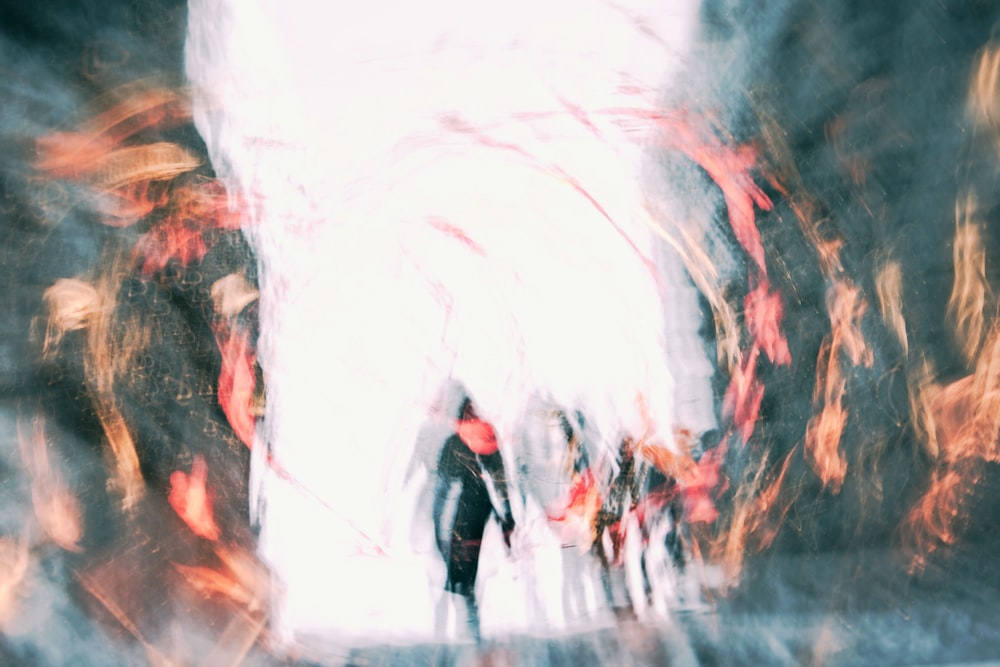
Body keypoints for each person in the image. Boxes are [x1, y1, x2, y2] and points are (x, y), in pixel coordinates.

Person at [432, 395, 516, 642]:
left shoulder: (456, 442)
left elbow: (444, 487)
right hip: (474, 516)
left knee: (458, 576)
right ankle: (467, 628)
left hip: (462, 517)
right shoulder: (488, 440)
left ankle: (455, 630)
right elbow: (499, 484)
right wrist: (507, 515)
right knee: (463, 576)